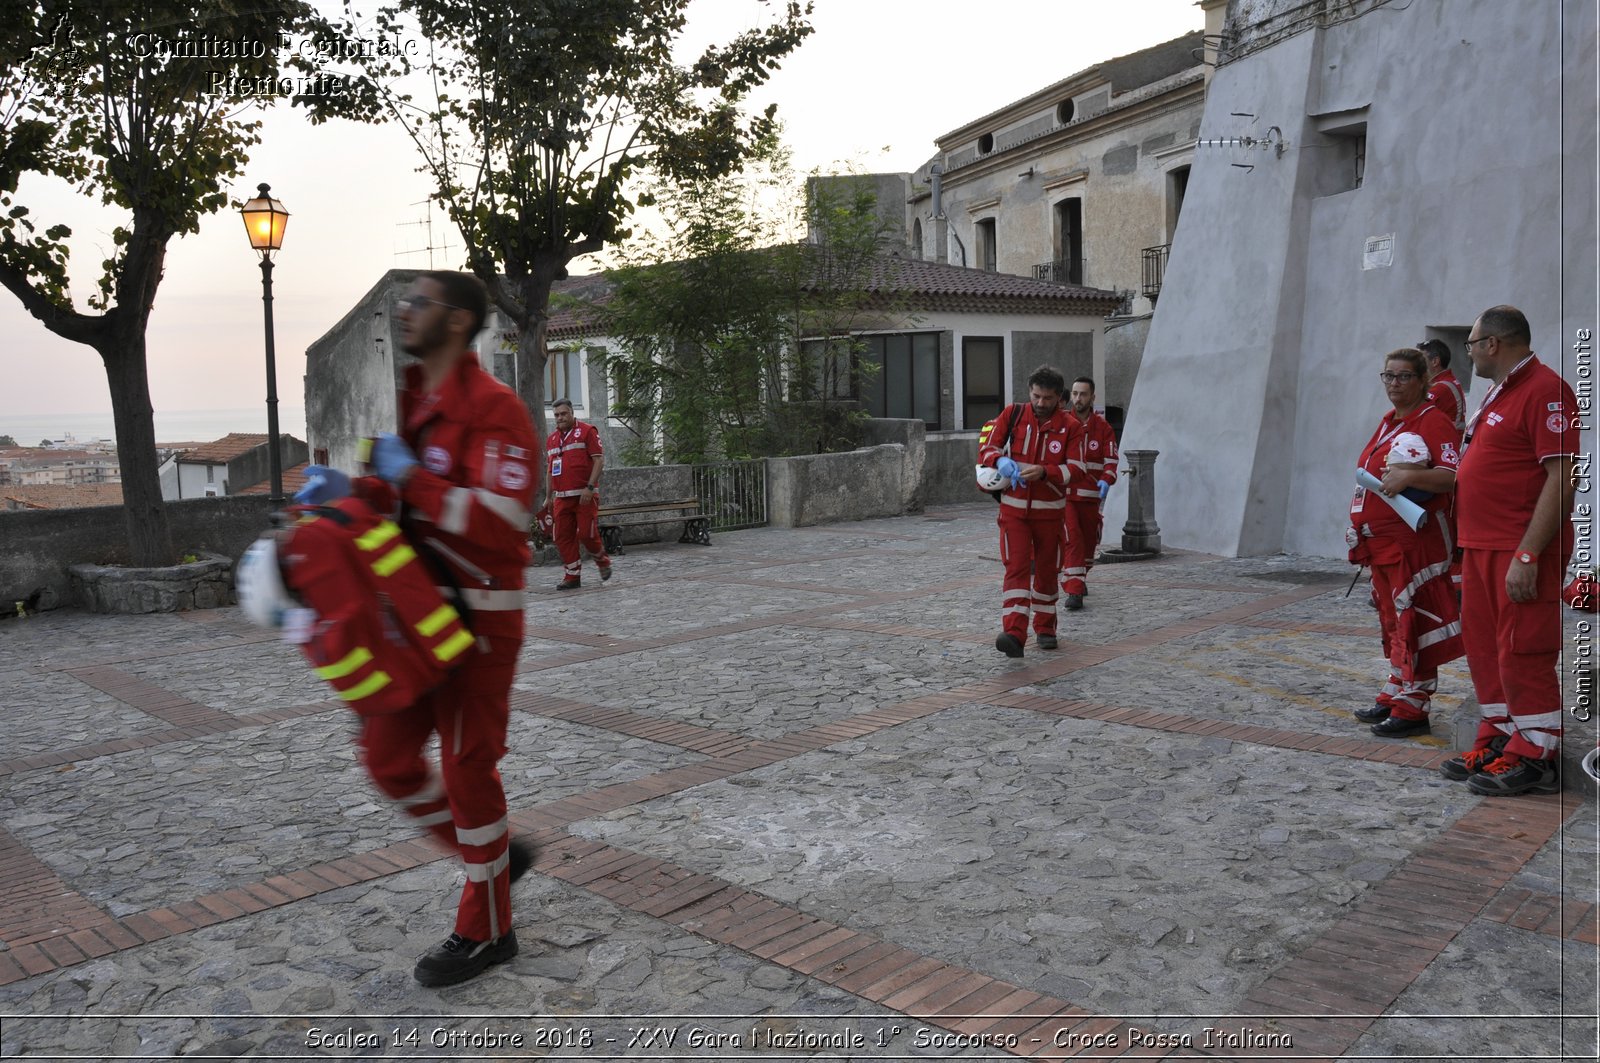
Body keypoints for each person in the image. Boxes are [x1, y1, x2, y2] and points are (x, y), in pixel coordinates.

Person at [296, 270, 538, 984]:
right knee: (387, 757)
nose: (404, 312)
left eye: (419, 302)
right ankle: (492, 861)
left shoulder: (495, 409)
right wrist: (353, 491)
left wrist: (413, 481)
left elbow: (503, 522)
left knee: (468, 768)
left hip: (480, 621)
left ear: (458, 320)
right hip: (416, 616)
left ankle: (487, 924)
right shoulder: (421, 403)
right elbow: (404, 503)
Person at [1444, 305, 1577, 796]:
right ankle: (1501, 736)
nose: (1471, 352)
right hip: (1481, 545)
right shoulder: (1501, 390)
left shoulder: (1546, 390)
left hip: (1517, 547)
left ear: (1493, 344)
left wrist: (1528, 554)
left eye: (1472, 343)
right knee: (1485, 649)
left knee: (1524, 649)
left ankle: (1537, 754)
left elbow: (1563, 478)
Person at [1346, 348, 1464, 738]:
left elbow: (1452, 476)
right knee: (1393, 619)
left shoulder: (1434, 421)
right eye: (1388, 376)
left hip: (1416, 542)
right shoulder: (1388, 422)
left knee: (1414, 618)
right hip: (1383, 546)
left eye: (1404, 377)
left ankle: (1414, 706)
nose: (1395, 384)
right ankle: (1397, 688)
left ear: (1422, 380)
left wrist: (1408, 479)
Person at [977, 365, 1081, 657]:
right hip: (1013, 512)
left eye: (1047, 398)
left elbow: (1077, 469)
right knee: (1017, 569)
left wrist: (1046, 472)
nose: (1040, 403)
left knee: (1048, 571)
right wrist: (999, 462)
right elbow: (988, 448)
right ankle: (1013, 633)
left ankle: (1046, 628)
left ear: (1059, 398)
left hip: (1050, 514)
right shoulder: (1012, 414)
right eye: (1036, 396)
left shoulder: (1070, 427)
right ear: (1029, 392)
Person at [1059, 376, 1119, 611]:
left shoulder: (1103, 428)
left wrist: (1106, 479)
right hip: (1066, 495)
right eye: (1074, 394)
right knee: (1072, 538)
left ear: (1092, 397)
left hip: (1091, 496)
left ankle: (1080, 575)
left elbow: (1111, 460)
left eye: (1083, 394)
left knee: (1089, 541)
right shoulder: (1063, 423)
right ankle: (1074, 590)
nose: (1078, 398)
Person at [546, 397, 611, 590]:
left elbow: (599, 461)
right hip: (562, 497)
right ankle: (572, 576)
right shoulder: (552, 439)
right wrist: (548, 496)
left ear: (572, 413)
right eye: (556, 415)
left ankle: (603, 562)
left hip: (584, 496)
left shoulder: (587, 431)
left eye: (564, 413)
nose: (560, 418)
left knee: (586, 534)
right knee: (562, 537)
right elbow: (550, 470)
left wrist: (590, 488)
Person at [1419, 338, 1467, 435]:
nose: (1417, 365)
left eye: (1421, 360)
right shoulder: (1446, 381)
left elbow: (1413, 414)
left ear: (1435, 361)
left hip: (1444, 440)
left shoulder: (1440, 388)